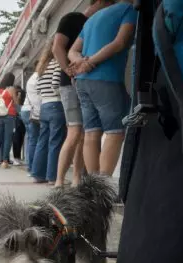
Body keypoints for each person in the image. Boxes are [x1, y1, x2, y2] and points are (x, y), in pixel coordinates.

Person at [69, 0, 136, 177]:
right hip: (106, 78)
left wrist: (80, 62)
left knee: (91, 133)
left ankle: (93, 187)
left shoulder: (91, 19)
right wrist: (90, 62)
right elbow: (119, 42)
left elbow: (72, 51)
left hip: (82, 81)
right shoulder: (128, 10)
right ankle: (104, 184)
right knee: (115, 132)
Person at [53, 4, 103, 187]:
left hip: (83, 83)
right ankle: (59, 180)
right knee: (75, 132)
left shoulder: (93, 23)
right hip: (71, 84)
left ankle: (75, 179)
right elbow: (57, 47)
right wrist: (68, 71)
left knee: (82, 133)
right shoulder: (72, 18)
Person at [32, 42, 66, 184]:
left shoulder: (42, 66)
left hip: (44, 106)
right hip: (55, 104)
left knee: (42, 141)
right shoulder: (57, 63)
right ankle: (52, 177)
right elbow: (55, 83)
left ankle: (38, 174)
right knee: (55, 142)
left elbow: (38, 89)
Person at [21, 70, 41, 175]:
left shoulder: (30, 78)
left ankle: (30, 165)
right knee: (36, 139)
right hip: (32, 110)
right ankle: (33, 167)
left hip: (25, 110)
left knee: (31, 139)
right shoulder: (39, 77)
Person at [12, 86, 26, 165]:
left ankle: (17, 158)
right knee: (18, 140)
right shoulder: (17, 105)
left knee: (18, 140)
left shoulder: (19, 105)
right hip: (18, 121)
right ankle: (16, 158)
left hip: (18, 121)